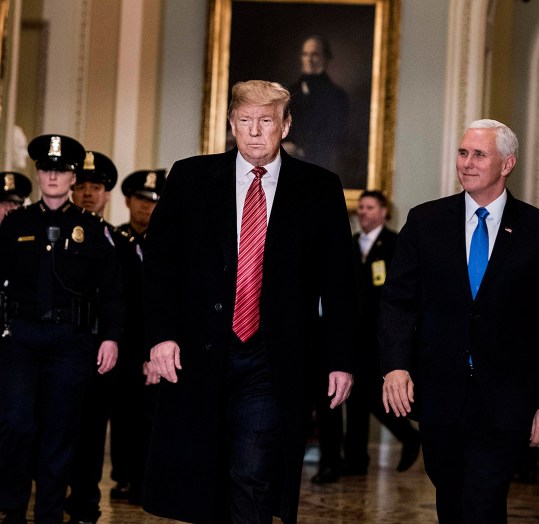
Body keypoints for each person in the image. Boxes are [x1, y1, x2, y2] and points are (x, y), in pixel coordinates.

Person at [142, 80, 355, 524]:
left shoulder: (318, 188)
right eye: (245, 121)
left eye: (266, 121)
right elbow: (160, 265)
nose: (255, 131)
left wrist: (341, 359)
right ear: (231, 124)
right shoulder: (191, 177)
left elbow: (339, 283)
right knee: (202, 476)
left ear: (285, 125)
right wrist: (161, 337)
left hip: (270, 356)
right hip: (198, 353)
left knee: (253, 472)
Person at [380, 119, 539, 522]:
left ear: (507, 164)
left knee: (483, 498)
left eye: (478, 154)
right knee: (450, 496)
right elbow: (397, 302)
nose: (466, 163)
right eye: (463, 153)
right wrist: (396, 366)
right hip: (439, 392)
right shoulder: (425, 221)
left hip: (506, 397)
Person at [0, 135, 123, 524]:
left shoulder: (91, 229)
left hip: (70, 343)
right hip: (20, 340)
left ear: (73, 177)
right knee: (16, 425)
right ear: (37, 173)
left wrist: (111, 338)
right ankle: (13, 509)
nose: (53, 176)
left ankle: (50, 514)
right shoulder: (16, 223)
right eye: (46, 169)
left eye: (61, 170)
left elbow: (113, 292)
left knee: (60, 433)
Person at [65, 150, 127, 523]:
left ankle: (86, 500)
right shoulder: (58, 237)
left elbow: (127, 301)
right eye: (82, 186)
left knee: (91, 431)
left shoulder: (117, 242)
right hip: (65, 346)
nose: (88, 193)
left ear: (107, 194)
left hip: (103, 350)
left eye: (96, 187)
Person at [343, 189, 420, 476]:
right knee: (356, 397)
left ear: (384, 212)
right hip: (354, 335)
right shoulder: (350, 245)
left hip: (380, 336)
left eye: (370, 207)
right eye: (360, 207)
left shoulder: (394, 244)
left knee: (373, 395)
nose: (363, 212)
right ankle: (355, 458)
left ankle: (409, 437)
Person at [108, 169, 166, 505]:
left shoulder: (170, 243)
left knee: (153, 415)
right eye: (142, 200)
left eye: (154, 202)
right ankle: (124, 476)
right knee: (122, 412)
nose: (147, 208)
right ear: (129, 201)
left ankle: (148, 479)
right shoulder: (114, 240)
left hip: (156, 343)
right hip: (122, 342)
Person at [284, 35, 349, 176]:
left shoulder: (337, 96)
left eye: (314, 55)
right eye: (305, 54)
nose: (309, 59)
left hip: (320, 166)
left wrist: (301, 151)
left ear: (325, 58)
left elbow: (334, 137)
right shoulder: (288, 93)